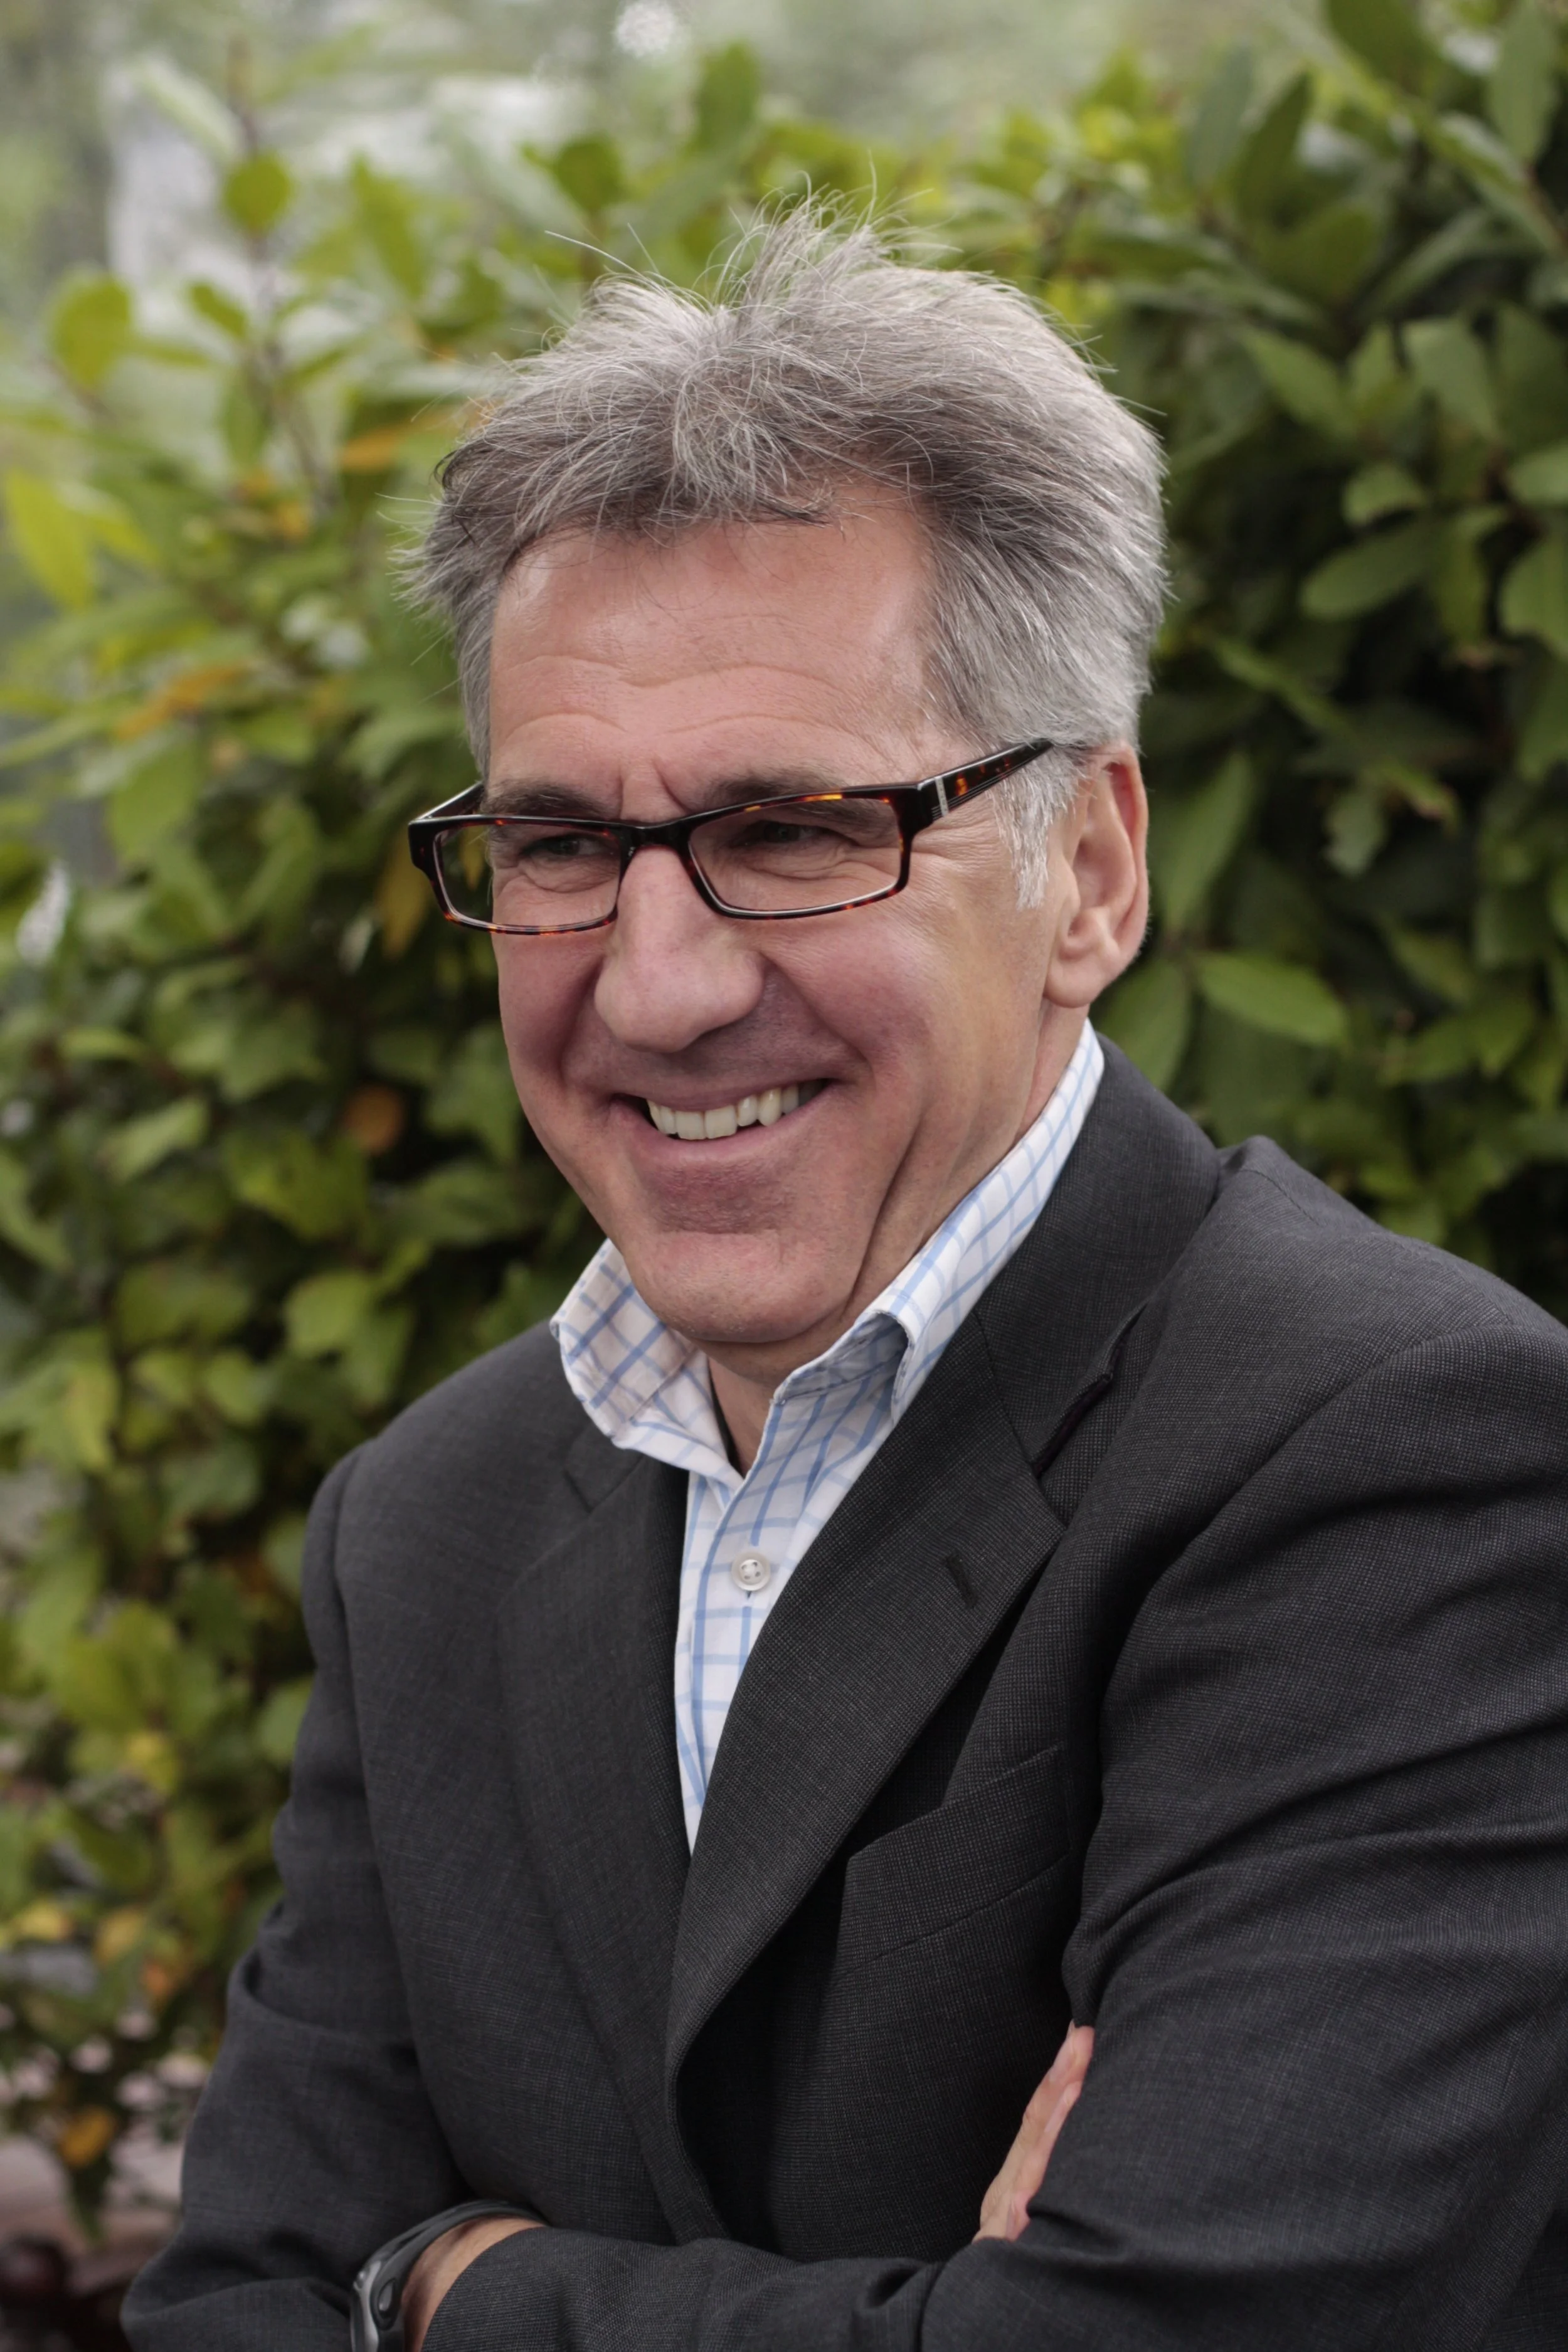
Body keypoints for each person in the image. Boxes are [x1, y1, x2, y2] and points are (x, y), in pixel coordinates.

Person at [123, 213, 1568, 2352]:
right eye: (555, 846)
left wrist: (455, 2289)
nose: (658, 975)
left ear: (1087, 868)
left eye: (795, 828)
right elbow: (232, 2302)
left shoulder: (1398, 1447)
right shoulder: (424, 1524)